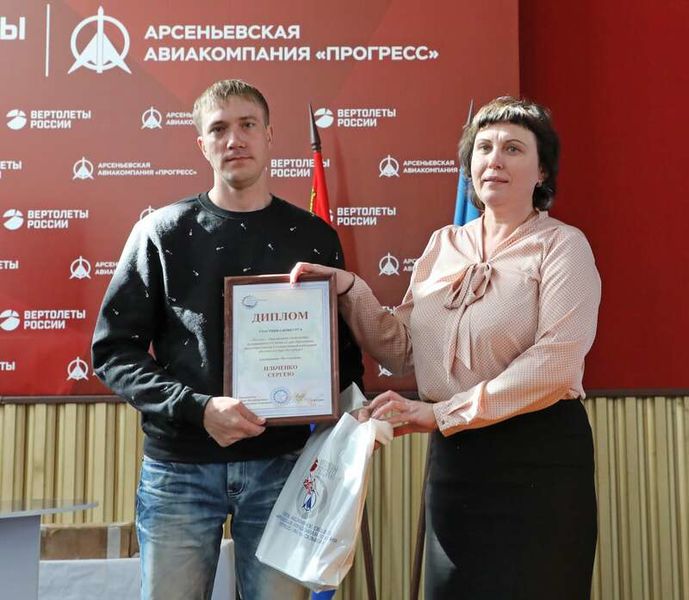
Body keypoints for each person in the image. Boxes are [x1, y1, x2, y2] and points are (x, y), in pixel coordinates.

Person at [291, 97, 601, 599]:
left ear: (542, 170)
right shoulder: (443, 245)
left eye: (513, 148)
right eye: (484, 148)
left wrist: (442, 413)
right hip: (457, 463)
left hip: (540, 459)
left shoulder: (563, 246)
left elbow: (556, 363)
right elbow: (404, 350)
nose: (494, 160)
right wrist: (350, 290)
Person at [92, 79, 363, 600]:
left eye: (247, 125)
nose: (234, 139)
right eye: (219, 129)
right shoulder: (161, 233)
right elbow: (113, 353)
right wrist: (197, 408)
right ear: (202, 144)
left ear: (269, 135)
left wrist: (352, 417)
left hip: (284, 469)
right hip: (179, 469)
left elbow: (341, 356)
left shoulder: (314, 237)